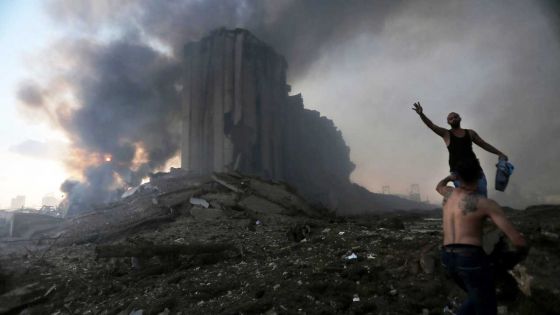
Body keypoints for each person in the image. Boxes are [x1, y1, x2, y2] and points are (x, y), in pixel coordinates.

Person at [436, 159, 528, 315]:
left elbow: (438, 186)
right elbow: (517, 240)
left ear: (458, 177)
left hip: (447, 257)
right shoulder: (485, 203)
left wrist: (450, 178)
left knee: (478, 296)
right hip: (469, 258)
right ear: (480, 176)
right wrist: (525, 246)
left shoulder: (449, 193)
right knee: (486, 304)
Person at [413, 101, 508, 196]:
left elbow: (483, 144)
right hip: (458, 172)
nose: (453, 119)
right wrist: (421, 114)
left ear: (460, 118)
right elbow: (432, 126)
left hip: (475, 170)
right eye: (450, 118)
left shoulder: (470, 133)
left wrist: (499, 153)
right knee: (466, 200)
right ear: (448, 122)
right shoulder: (446, 134)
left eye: (455, 117)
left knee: (482, 196)